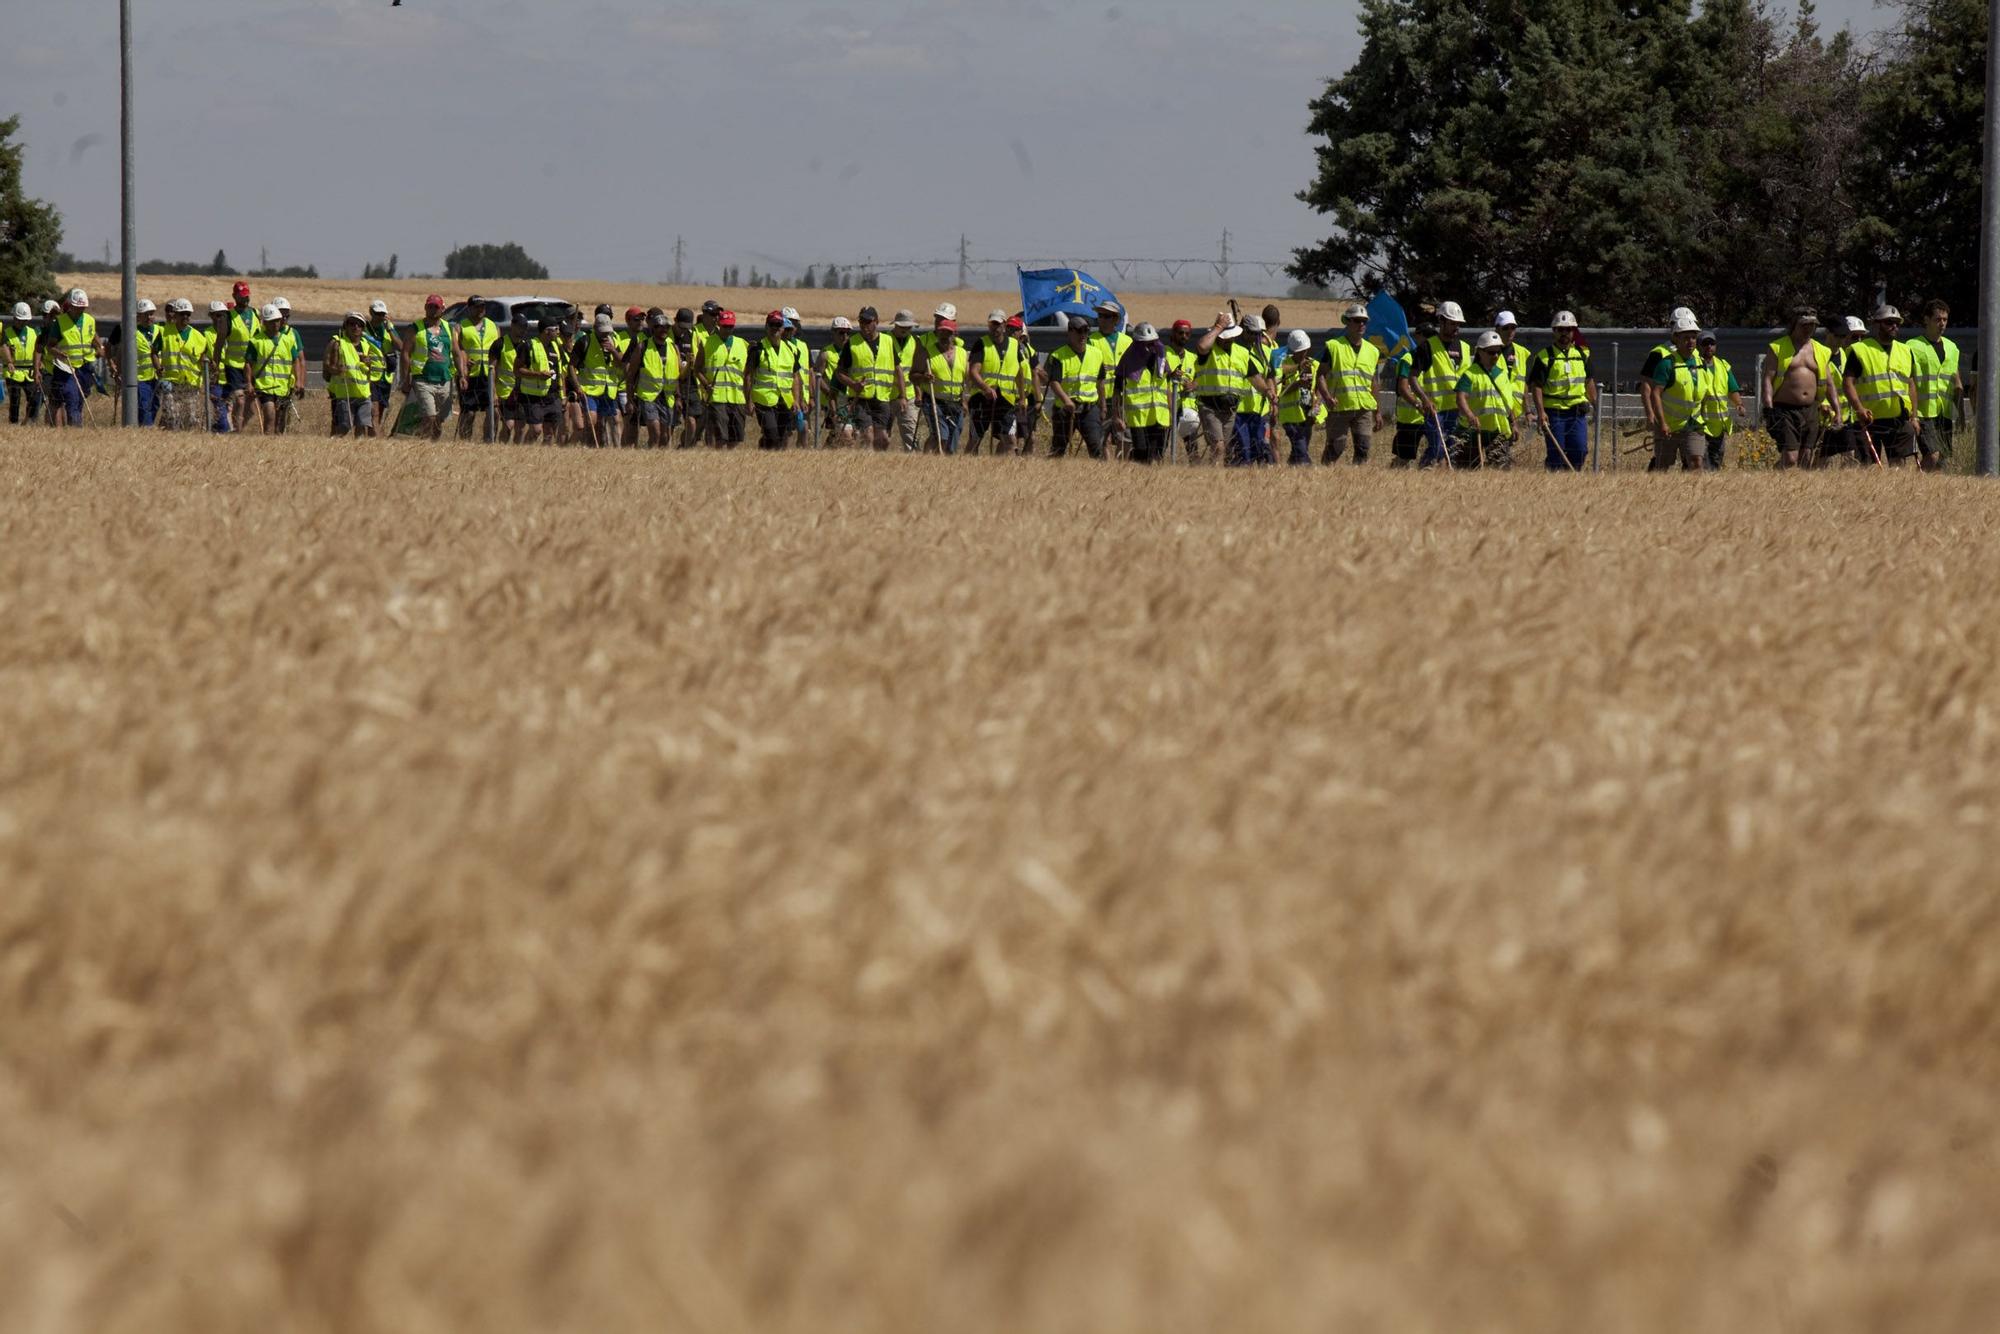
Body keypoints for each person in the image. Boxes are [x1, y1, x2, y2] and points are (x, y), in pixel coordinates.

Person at [1844, 305, 1919, 467]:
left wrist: (1914, 416)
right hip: (1870, 419)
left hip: (1899, 419)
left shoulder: (1906, 350)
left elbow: (1911, 384)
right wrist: (1859, 409)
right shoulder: (1859, 350)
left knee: (1899, 465)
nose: (1894, 326)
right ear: (1876, 324)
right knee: (1869, 467)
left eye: (1897, 323)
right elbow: (1848, 382)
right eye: (1889, 322)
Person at [1760, 308, 1834, 469]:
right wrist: (1768, 407)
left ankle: (1799, 490)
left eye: (1813, 325)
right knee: (1791, 457)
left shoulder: (1821, 350)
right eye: (1805, 324)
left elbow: (1829, 383)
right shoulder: (1778, 347)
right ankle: (1775, 476)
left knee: (1806, 456)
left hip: (1811, 408)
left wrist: (1837, 411)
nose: (1809, 328)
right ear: (1794, 324)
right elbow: (1767, 379)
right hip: (1785, 410)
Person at [1315, 304, 1385, 465]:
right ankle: (1324, 475)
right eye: (1357, 320)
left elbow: (1374, 382)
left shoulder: (1373, 351)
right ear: (1347, 322)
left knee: (1363, 448)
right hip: (1339, 406)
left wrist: (1378, 411)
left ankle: (1357, 483)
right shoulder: (1334, 347)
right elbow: (1320, 375)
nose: (1361, 324)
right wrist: (1326, 397)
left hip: (1363, 408)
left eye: (1364, 321)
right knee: (1336, 448)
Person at [1526, 311, 1595, 471]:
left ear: (1573, 332)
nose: (1564, 333)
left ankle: (1570, 480)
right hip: (1554, 413)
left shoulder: (1582, 354)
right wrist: (1541, 412)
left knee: (1579, 451)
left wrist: (1595, 404)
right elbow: (1536, 386)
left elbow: (1589, 381)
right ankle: (1553, 480)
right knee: (1556, 453)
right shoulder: (1544, 357)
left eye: (1568, 329)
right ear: (1554, 331)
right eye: (1560, 330)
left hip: (1577, 412)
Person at [1645, 311, 1708, 470]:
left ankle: (1696, 493)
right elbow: (1655, 393)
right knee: (1663, 466)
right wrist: (1660, 421)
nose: (1690, 341)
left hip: (1694, 425)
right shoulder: (1666, 363)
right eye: (1686, 338)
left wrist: (1705, 415)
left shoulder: (1701, 363)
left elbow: (1703, 392)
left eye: (1693, 337)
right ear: (1676, 338)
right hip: (1669, 426)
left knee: (1696, 461)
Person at [830, 306, 899, 451]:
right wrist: (854, 384)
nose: (864, 325)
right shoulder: (852, 343)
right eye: (862, 321)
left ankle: (876, 466)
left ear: (877, 322)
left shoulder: (888, 341)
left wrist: (903, 396)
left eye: (868, 321)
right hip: (860, 398)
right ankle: (865, 465)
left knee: (883, 439)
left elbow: (897, 369)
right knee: (868, 435)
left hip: (882, 398)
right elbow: (839, 373)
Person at [1905, 298, 1962, 472]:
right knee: (1932, 454)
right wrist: (1912, 415)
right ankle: (1912, 485)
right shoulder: (1912, 346)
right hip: (1924, 412)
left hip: (1943, 412)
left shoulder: (1952, 348)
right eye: (1938, 319)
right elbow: (1909, 380)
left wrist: (1960, 414)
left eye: (1945, 320)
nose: (1942, 324)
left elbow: (1956, 382)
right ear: (1926, 320)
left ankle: (1931, 493)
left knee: (1943, 459)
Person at [1190, 314, 1255, 465]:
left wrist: (1268, 391)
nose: (1229, 339)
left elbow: (1254, 376)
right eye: (1225, 336)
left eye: (1231, 336)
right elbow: (1201, 345)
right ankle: (1215, 478)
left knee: (1223, 448)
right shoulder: (1208, 350)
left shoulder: (1242, 352)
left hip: (1230, 409)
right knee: (1218, 446)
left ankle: (1216, 478)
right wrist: (1218, 328)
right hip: (1209, 407)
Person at [1042, 315, 1109, 460]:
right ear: (1070, 332)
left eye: (1086, 331)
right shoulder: (1058, 355)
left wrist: (1103, 406)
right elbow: (1054, 382)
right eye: (1079, 331)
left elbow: (1100, 383)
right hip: (1065, 411)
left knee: (1096, 447)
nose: (1083, 335)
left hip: (1089, 409)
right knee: (1058, 449)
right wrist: (1066, 401)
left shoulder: (1096, 354)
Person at [966, 309, 1025, 456]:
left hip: (1006, 400)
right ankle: (966, 469)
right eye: (992, 324)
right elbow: (973, 371)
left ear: (1004, 325)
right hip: (982, 398)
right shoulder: (981, 344)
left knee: (1010, 440)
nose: (995, 328)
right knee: (975, 439)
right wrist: (985, 388)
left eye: (998, 324)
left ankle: (1002, 472)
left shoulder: (1014, 345)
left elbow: (1019, 373)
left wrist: (1022, 397)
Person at [1454, 330, 1515, 469]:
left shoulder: (1502, 374)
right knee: (1468, 470)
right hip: (1473, 431)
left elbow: (1506, 402)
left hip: (1497, 431)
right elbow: (1460, 397)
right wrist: (1470, 415)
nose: (1495, 356)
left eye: (1498, 352)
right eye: (1491, 352)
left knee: (1502, 471)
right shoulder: (1470, 374)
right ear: (1480, 352)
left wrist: (1513, 423)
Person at [402, 294, 460, 440]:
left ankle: (431, 445)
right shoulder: (415, 328)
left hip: (445, 379)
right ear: (425, 308)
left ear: (442, 309)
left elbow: (456, 353)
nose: (433, 310)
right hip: (423, 379)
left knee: (440, 420)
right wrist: (406, 378)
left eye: (436, 307)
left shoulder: (449, 328)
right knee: (429, 416)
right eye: (430, 306)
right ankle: (423, 446)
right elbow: (405, 353)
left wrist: (462, 375)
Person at [625, 308, 683, 448]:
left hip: (667, 397)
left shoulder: (673, 348)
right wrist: (630, 399)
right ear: (653, 328)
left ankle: (659, 462)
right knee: (655, 432)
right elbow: (631, 374)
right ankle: (650, 456)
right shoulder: (643, 346)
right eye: (659, 327)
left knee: (665, 435)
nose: (663, 330)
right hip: (648, 396)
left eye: (666, 327)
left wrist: (678, 397)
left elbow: (676, 375)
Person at [747, 310, 804, 450]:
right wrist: (748, 401)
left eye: (778, 325)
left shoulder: (791, 350)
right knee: (771, 434)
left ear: (783, 328)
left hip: (785, 400)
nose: (775, 328)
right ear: (766, 327)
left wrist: (796, 400)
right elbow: (748, 376)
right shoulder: (758, 349)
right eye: (772, 324)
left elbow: (795, 376)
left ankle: (766, 456)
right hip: (764, 400)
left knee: (782, 437)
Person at [910, 316, 968, 454]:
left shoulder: (962, 353)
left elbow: (965, 381)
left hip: (955, 402)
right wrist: (923, 377)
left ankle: (945, 466)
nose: (944, 336)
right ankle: (927, 461)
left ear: (954, 334)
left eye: (948, 333)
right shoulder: (927, 351)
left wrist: (965, 401)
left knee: (952, 442)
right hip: (934, 400)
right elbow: (913, 375)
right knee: (941, 436)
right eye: (941, 332)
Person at [1116, 322, 1171, 465]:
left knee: (1156, 455)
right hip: (1138, 417)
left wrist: (1170, 412)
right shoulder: (1128, 361)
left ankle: (1150, 483)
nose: (1149, 346)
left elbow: (1167, 387)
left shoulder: (1161, 359)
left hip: (1159, 415)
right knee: (1141, 453)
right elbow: (1117, 390)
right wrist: (1117, 416)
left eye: (1152, 342)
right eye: (1144, 343)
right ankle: (1133, 469)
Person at [247, 301, 304, 434]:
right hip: (265, 387)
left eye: (277, 321)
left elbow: (296, 361)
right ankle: (267, 443)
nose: (276, 324)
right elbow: (248, 363)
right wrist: (249, 383)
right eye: (272, 321)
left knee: (280, 422)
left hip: (283, 388)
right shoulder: (256, 341)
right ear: (264, 323)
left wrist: (297, 381)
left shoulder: (288, 340)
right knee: (270, 416)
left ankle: (277, 447)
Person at [47, 288, 100, 429]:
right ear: (70, 306)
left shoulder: (90, 321)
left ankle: (75, 425)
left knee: (80, 399)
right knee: (71, 397)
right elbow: (50, 346)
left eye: (83, 308)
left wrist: (100, 348)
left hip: (85, 367)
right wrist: (58, 353)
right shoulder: (60, 323)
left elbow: (94, 338)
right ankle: (76, 429)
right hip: (66, 368)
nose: (80, 310)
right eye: (77, 308)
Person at [570, 312, 624, 445]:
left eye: (607, 332)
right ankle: (588, 446)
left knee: (604, 423)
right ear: (595, 329)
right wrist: (577, 387)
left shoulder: (614, 341)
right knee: (591, 420)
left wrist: (613, 350)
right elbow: (571, 366)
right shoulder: (585, 341)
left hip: (608, 391)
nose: (605, 335)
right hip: (589, 390)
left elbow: (622, 364)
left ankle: (599, 448)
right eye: (602, 332)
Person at [1819, 316, 1867, 465]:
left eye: (1844, 336)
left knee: (1850, 457)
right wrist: (1822, 404)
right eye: (1837, 336)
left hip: (1845, 419)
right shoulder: (1819, 355)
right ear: (1828, 333)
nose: (1841, 340)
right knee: (1821, 461)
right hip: (1824, 419)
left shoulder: (1846, 356)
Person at [698, 308, 749, 448]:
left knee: (735, 438)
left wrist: (749, 398)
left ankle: (729, 465)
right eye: (725, 326)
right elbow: (697, 369)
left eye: (730, 326)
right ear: (719, 324)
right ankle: (716, 462)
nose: (728, 329)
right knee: (720, 437)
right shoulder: (706, 343)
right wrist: (705, 384)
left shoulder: (743, 345)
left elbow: (748, 372)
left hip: (737, 397)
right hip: (716, 397)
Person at [155, 299, 208, 431]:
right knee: (172, 416)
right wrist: (158, 368)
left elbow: (203, 358)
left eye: (188, 314)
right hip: (170, 382)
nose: (185, 317)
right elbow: (154, 353)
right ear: (175, 315)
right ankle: (168, 440)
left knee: (190, 418)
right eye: (182, 314)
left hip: (191, 383)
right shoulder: (164, 333)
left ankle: (185, 441)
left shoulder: (199, 337)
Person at [454, 295, 500, 441]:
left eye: (482, 306)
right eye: (476, 306)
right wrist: (463, 363)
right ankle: (464, 442)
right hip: (470, 375)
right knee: (469, 413)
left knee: (493, 411)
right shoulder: (460, 327)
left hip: (489, 374)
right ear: (469, 308)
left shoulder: (494, 326)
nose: (480, 310)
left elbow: (498, 352)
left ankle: (489, 440)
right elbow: (456, 349)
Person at [1089, 299, 1132, 456]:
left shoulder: (1128, 341)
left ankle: (1122, 468)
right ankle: (1107, 469)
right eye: (1100, 316)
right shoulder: (1091, 340)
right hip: (1101, 397)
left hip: (1122, 397)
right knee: (1103, 437)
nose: (1102, 319)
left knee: (1124, 437)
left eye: (1107, 316)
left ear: (1116, 319)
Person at [516, 319, 568, 444]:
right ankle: (525, 451)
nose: (558, 332)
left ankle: (545, 458)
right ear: (546, 331)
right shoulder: (529, 346)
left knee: (550, 432)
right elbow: (517, 370)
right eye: (556, 329)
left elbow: (561, 373)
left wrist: (563, 395)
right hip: (533, 396)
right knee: (536, 430)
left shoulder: (557, 346)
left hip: (553, 395)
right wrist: (538, 375)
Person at [218, 280, 261, 430]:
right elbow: (219, 343)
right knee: (240, 400)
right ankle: (237, 430)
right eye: (242, 296)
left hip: (252, 366)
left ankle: (242, 427)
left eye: (247, 296)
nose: (245, 299)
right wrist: (216, 365)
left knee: (251, 404)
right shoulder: (228, 317)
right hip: (234, 365)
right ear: (234, 296)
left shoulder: (255, 314)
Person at [1276, 329, 1323, 465]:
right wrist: (1298, 383)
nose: (1303, 353)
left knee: (1300, 449)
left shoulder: (1315, 365)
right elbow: (1280, 391)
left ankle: (1291, 470)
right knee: (1301, 450)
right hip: (1290, 416)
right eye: (1299, 350)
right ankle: (1307, 470)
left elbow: (1319, 387)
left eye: (1305, 349)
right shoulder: (1284, 365)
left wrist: (1317, 404)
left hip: (1308, 415)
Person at [1696, 331, 1742, 470]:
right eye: (1705, 344)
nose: (1709, 346)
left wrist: (1739, 404)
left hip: (1719, 425)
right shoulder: (1694, 365)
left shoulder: (1723, 365)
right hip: (1700, 424)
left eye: (1712, 343)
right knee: (1700, 461)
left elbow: (1732, 388)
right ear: (1699, 346)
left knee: (1716, 459)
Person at [325, 313, 375, 438]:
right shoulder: (338, 343)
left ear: (363, 328)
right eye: (351, 324)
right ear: (345, 326)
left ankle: (359, 453)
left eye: (359, 325)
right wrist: (337, 370)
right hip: (345, 394)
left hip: (363, 394)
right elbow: (328, 366)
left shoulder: (366, 345)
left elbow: (369, 371)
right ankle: (332, 447)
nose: (355, 327)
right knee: (344, 426)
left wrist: (369, 364)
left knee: (362, 426)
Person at [1162, 318, 1200, 462]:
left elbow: (1201, 377)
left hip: (1187, 410)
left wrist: (1193, 384)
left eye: (1187, 333)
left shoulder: (1193, 357)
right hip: (1167, 407)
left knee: (1192, 447)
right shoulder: (1163, 354)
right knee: (1163, 444)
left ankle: (1195, 472)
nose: (1183, 336)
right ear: (1173, 334)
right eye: (1180, 333)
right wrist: (1170, 375)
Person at [361, 300, 399, 438]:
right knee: (374, 412)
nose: (380, 317)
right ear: (371, 312)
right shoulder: (363, 328)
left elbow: (400, 346)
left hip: (386, 377)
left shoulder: (389, 329)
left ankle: (371, 438)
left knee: (379, 413)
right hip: (371, 377)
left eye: (383, 314)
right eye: (377, 314)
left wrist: (390, 329)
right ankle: (376, 441)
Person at [493, 315, 533, 444]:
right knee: (508, 425)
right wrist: (494, 392)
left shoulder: (526, 346)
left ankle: (517, 452)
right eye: (520, 326)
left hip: (521, 392)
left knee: (520, 427)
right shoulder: (500, 344)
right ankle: (501, 447)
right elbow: (492, 369)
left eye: (525, 327)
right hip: (504, 392)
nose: (522, 330)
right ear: (512, 325)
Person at [889, 310, 924, 451]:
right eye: (902, 326)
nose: (905, 329)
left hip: (909, 396)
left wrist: (918, 394)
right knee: (882, 436)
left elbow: (918, 371)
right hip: (886, 394)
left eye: (908, 327)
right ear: (895, 325)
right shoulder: (884, 340)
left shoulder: (916, 342)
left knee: (911, 437)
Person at [5, 301, 42, 426]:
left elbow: (38, 350)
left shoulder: (33, 332)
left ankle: (29, 421)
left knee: (34, 399)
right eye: (20, 319)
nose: (22, 322)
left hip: (29, 372)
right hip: (13, 372)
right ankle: (13, 423)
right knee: (15, 400)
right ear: (14, 318)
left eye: (25, 320)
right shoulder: (6, 333)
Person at [129, 298, 162, 427]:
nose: (149, 317)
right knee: (144, 406)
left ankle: (147, 429)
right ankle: (146, 430)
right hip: (141, 377)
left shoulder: (160, 331)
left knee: (155, 405)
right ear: (139, 316)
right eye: (146, 314)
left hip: (157, 376)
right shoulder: (132, 333)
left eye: (151, 314)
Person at [203, 301, 233, 431]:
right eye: (217, 315)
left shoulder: (231, 333)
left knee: (228, 415)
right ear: (211, 316)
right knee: (222, 419)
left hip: (231, 379)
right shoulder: (206, 335)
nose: (220, 318)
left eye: (223, 315)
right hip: (215, 382)